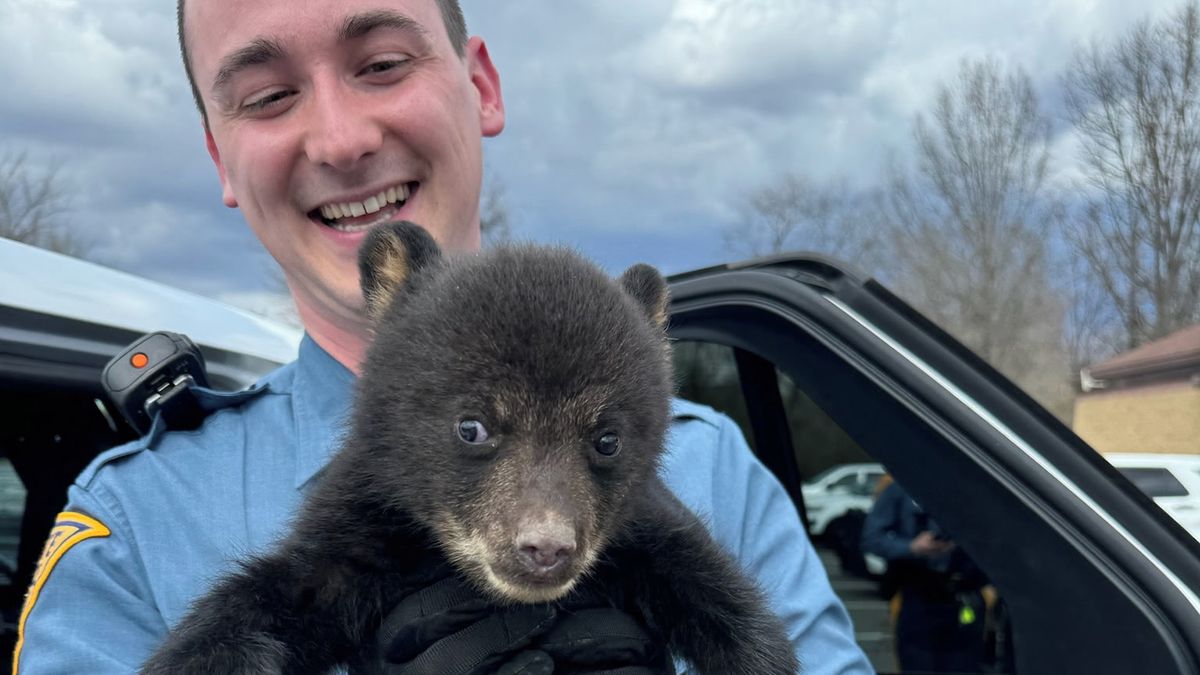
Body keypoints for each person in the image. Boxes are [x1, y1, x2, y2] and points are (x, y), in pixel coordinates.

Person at [13, 1, 873, 673]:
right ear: (217, 155)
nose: (343, 139)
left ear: (483, 85)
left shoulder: (715, 470)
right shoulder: (130, 524)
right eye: (270, 95)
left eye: (383, 64)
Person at [861, 479, 987, 673]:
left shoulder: (976, 490)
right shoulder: (900, 489)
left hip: (965, 596)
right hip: (919, 597)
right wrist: (911, 547)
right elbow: (871, 538)